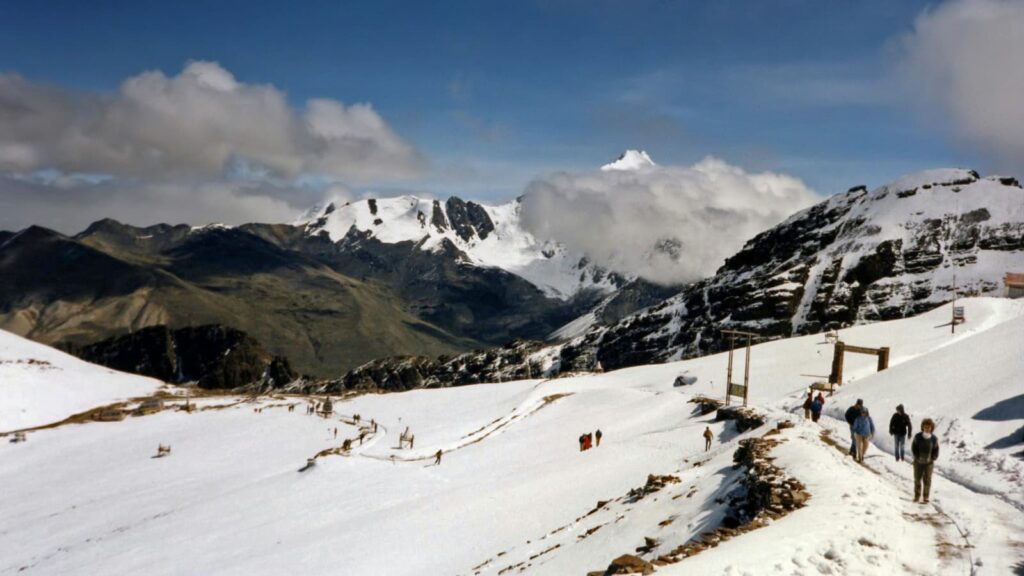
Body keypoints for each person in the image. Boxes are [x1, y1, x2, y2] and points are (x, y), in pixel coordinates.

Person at [911, 418, 940, 503]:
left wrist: (933, 458)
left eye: (929, 427)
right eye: (925, 427)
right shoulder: (917, 437)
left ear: (931, 428)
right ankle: (917, 496)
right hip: (918, 462)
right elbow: (913, 448)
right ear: (922, 427)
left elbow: (936, 449)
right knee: (917, 479)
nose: (927, 428)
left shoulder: (934, 439)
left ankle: (926, 496)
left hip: (929, 463)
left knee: (927, 480)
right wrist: (916, 457)